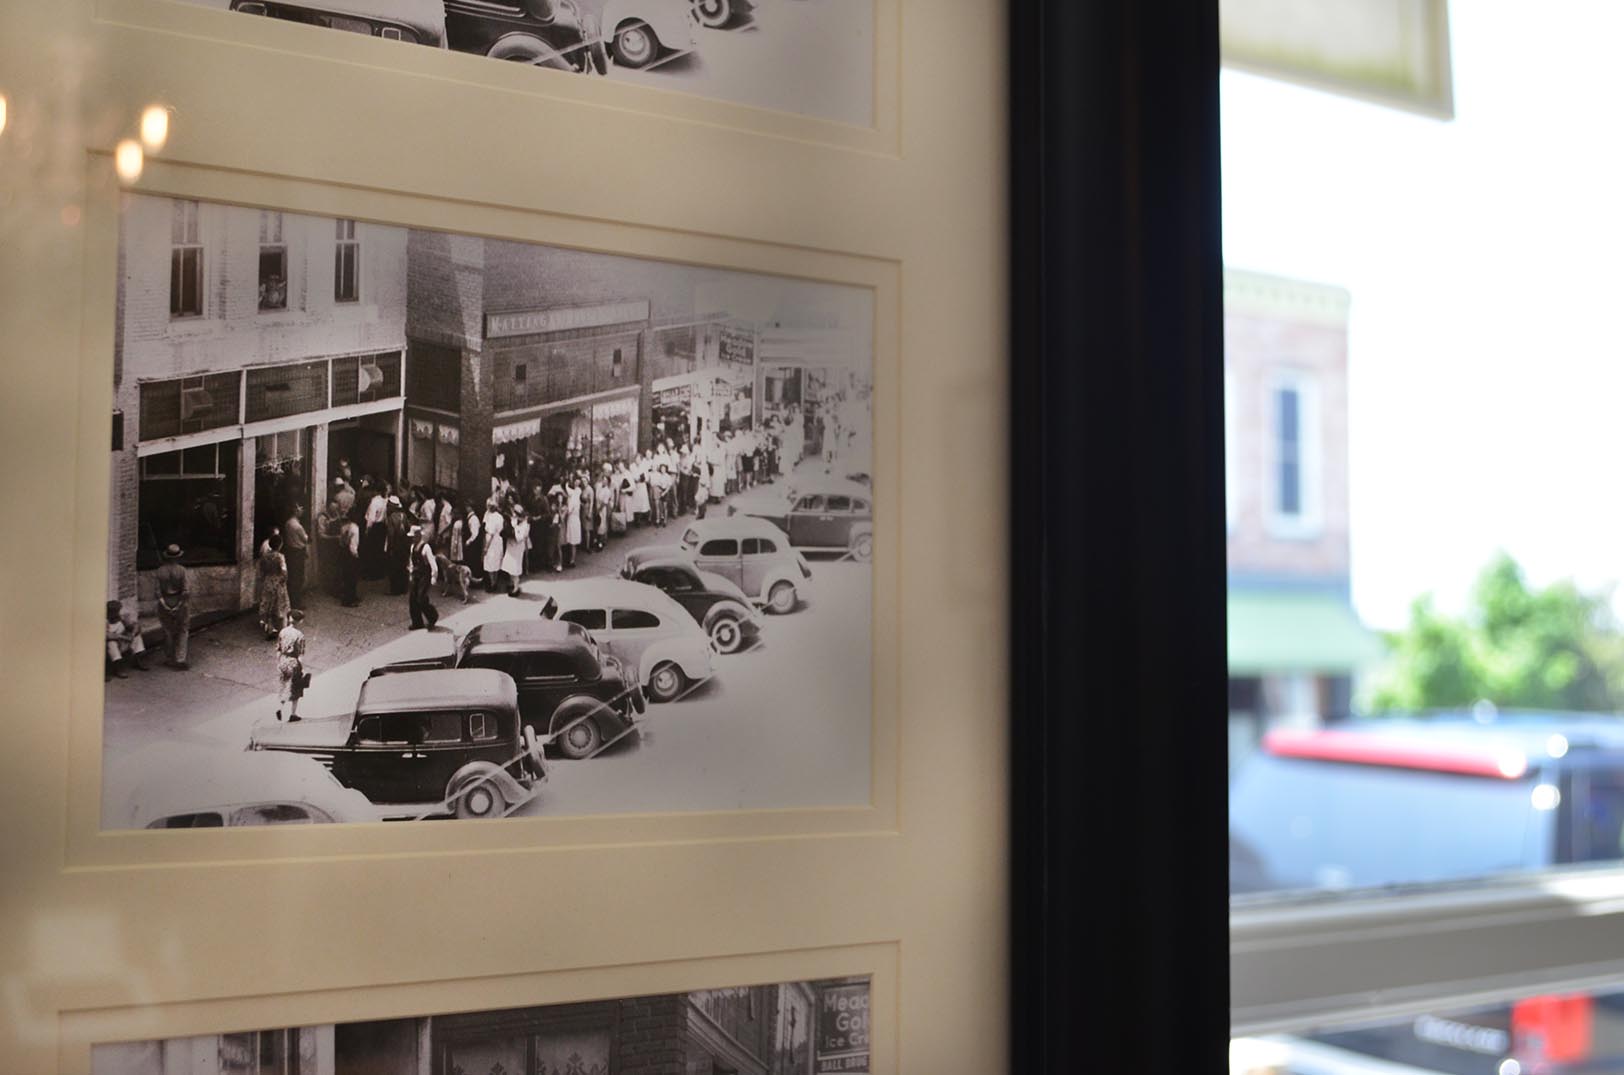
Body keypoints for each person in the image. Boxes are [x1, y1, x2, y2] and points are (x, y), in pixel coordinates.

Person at [154, 544, 190, 669]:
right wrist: (179, 605)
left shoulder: (160, 571)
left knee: (167, 631)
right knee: (182, 630)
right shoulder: (182, 570)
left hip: (165, 601)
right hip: (179, 601)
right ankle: (180, 659)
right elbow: (186, 591)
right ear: (178, 556)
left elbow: (157, 592)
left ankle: (170, 658)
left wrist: (165, 605)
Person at [257, 529, 291, 639]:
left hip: (268, 582)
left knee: (268, 606)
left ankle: (270, 630)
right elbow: (284, 572)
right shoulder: (280, 557)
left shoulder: (265, 557)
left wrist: (264, 580)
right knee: (280, 606)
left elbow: (261, 571)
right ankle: (282, 630)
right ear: (280, 545)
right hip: (278, 583)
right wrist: (284, 580)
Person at [274, 610, 307, 722]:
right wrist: (303, 668)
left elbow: (278, 649)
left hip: (283, 661)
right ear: (300, 621)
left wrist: (279, 663)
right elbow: (300, 655)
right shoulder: (300, 635)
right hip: (293, 663)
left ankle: (279, 708)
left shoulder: (282, 632)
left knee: (284, 687)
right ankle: (293, 714)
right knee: (296, 689)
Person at [105, 599, 148, 679]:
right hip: (112, 643)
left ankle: (137, 661)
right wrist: (124, 637)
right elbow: (107, 636)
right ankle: (118, 668)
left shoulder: (122, 618)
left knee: (137, 637)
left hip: (123, 641)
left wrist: (132, 634)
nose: (115, 614)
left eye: (117, 611)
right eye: (113, 612)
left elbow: (136, 625)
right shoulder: (105, 621)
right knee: (111, 644)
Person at [407, 525, 439, 630]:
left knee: (421, 598)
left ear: (418, 536)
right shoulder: (412, 547)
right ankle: (417, 622)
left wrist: (433, 577)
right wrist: (411, 574)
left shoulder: (426, 547)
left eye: (413, 537)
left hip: (424, 576)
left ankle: (432, 616)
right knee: (412, 599)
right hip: (416, 575)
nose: (412, 539)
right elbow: (411, 562)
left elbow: (433, 564)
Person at [283, 504, 309, 610]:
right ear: (296, 511)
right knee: (298, 578)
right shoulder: (298, 526)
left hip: (290, 551)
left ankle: (291, 601)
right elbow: (305, 538)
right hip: (298, 552)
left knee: (292, 577)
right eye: (301, 509)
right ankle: (296, 603)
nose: (302, 511)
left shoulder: (288, 523)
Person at [384, 497, 411, 596]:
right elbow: (408, 528)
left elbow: (391, 534)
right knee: (403, 566)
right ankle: (403, 588)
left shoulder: (391, 517)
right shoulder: (403, 515)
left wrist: (390, 547)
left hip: (395, 544)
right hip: (403, 544)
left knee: (394, 567)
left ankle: (394, 589)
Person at [503, 505, 531, 594]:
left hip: (517, 548)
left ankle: (516, 587)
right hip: (511, 547)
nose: (514, 516)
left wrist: (514, 528)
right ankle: (511, 583)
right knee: (509, 566)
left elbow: (520, 538)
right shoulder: (516, 521)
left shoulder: (525, 525)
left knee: (515, 568)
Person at [482, 500, 507, 593]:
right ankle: (495, 582)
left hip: (492, 541)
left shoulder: (491, 518)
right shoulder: (500, 516)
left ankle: (492, 584)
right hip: (498, 540)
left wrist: (486, 547)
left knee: (490, 563)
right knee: (496, 562)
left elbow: (491, 534)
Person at [337, 515, 362, 607]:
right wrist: (355, 554)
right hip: (351, 554)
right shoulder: (354, 528)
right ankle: (349, 599)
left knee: (348, 577)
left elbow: (342, 541)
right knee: (351, 578)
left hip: (344, 553)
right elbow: (353, 544)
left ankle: (351, 596)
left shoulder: (344, 527)